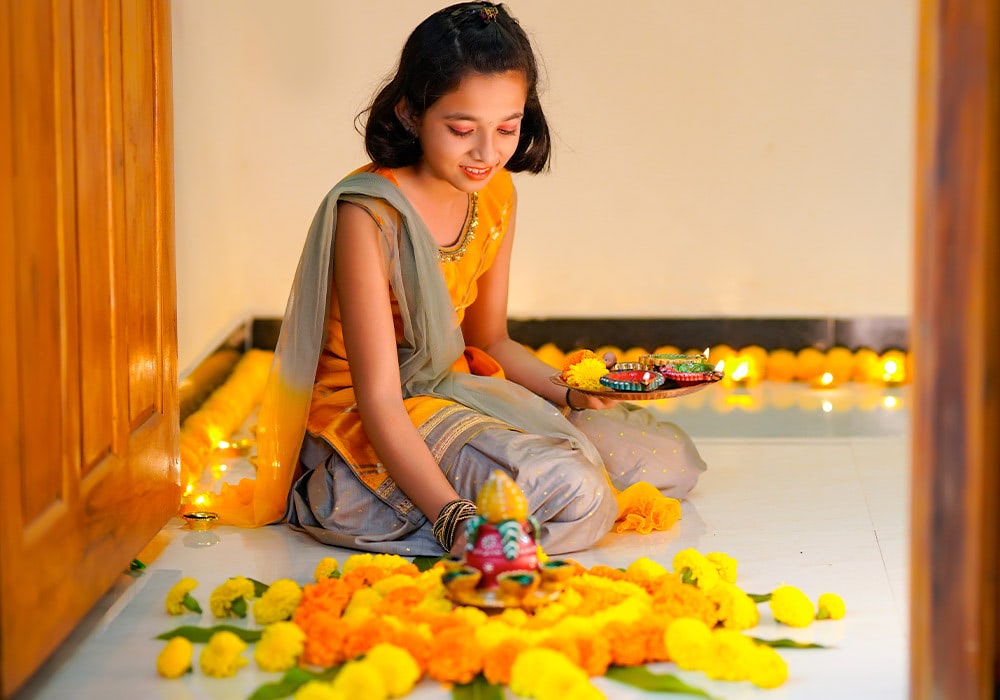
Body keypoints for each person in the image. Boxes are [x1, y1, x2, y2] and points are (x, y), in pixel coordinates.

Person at [223, 2, 706, 556]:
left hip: (455, 390)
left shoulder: (497, 196)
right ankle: (390, 498)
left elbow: (489, 340)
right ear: (410, 113)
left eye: (508, 128)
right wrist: (452, 517)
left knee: (667, 465)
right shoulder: (369, 215)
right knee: (578, 494)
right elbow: (379, 399)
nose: (486, 153)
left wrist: (571, 389)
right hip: (370, 416)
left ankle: (501, 498)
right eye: (461, 128)